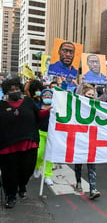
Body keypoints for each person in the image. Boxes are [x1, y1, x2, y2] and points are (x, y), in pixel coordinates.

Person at [0, 77, 50, 208]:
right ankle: (10, 196)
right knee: (9, 173)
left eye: (17, 89)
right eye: (11, 90)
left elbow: (39, 115)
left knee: (27, 170)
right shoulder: (1, 106)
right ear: (6, 92)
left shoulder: (28, 102)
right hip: (7, 146)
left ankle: (22, 186)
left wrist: (49, 111)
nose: (15, 91)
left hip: (29, 143)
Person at [74, 83, 101, 199]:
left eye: (93, 94)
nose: (91, 96)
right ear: (83, 95)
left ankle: (93, 189)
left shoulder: (96, 106)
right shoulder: (77, 105)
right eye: (88, 94)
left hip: (91, 139)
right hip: (79, 138)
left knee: (92, 164)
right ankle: (79, 182)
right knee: (78, 163)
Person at [33, 89, 54, 186]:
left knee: (50, 156)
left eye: (50, 96)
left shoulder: (56, 107)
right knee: (39, 154)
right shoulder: (37, 107)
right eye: (45, 96)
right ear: (41, 97)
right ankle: (37, 167)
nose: (47, 98)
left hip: (53, 135)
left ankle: (48, 175)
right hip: (40, 133)